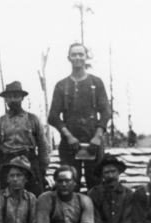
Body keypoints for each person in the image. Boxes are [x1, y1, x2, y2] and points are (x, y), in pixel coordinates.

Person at [47, 43, 111, 190]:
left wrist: (98, 136)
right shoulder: (62, 85)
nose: (77, 58)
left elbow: (106, 111)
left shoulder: (96, 82)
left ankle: (94, 212)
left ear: (86, 57)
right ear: (68, 58)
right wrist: (68, 136)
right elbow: (53, 116)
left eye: (80, 54)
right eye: (74, 54)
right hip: (70, 140)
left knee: (96, 181)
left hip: (93, 137)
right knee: (69, 181)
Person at [0, 81, 50, 195]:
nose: (12, 100)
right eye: (9, 97)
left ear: (22, 98)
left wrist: (42, 168)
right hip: (7, 162)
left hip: (29, 161)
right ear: (6, 100)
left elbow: (42, 144)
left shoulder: (33, 119)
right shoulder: (0, 122)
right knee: (8, 196)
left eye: (16, 96)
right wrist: (2, 163)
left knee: (34, 195)